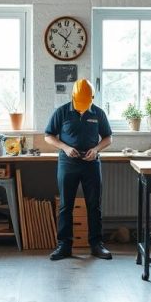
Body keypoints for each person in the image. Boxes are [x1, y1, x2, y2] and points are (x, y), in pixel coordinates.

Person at [44, 79, 113, 260]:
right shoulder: (62, 112)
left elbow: (108, 137)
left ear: (92, 97)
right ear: (73, 96)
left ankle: (97, 245)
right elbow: (48, 136)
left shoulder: (98, 113)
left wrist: (96, 149)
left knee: (94, 205)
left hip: (91, 163)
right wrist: (65, 148)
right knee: (66, 205)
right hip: (68, 163)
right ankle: (64, 246)